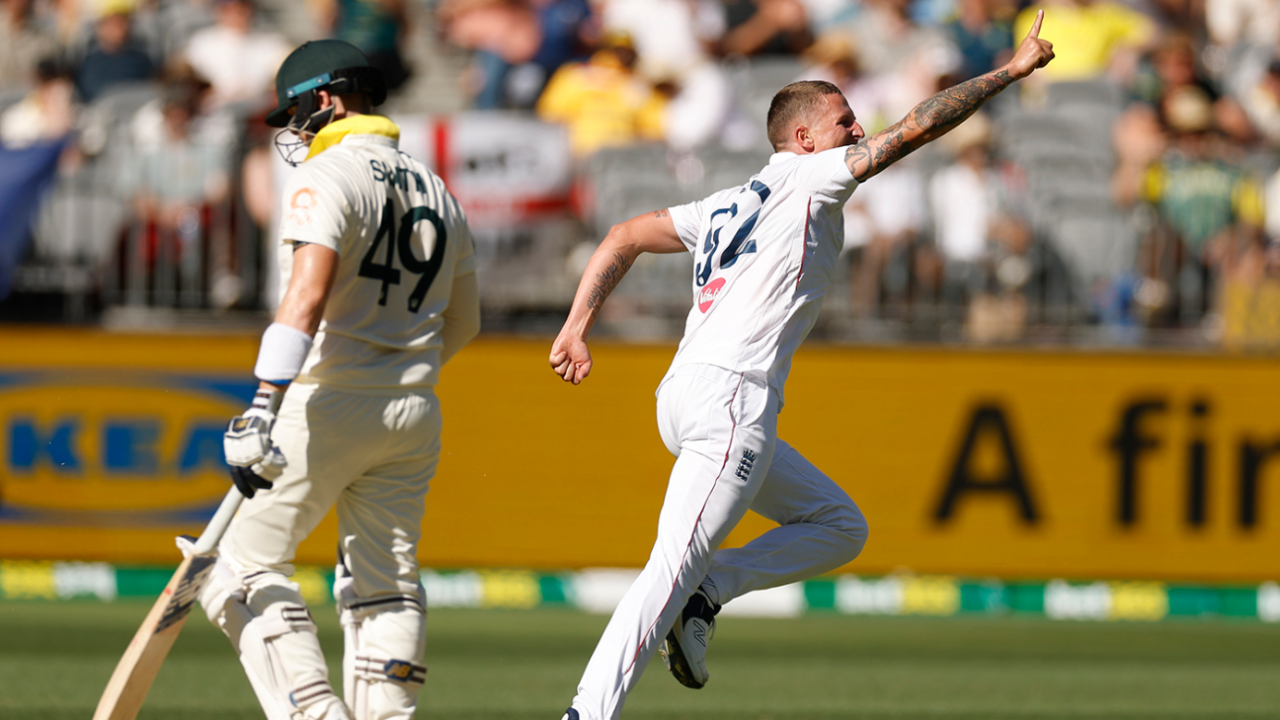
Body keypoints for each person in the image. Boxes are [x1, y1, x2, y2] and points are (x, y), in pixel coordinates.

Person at [548, 11, 1055, 720]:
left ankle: (711, 590)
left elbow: (624, 234)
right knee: (666, 572)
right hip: (732, 400)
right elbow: (916, 128)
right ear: (804, 137)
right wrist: (1009, 71)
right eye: (844, 120)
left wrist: (577, 325)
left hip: (685, 394)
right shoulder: (815, 178)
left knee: (838, 525)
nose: (857, 131)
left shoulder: (726, 202)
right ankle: (588, 712)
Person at [203, 39, 480, 720]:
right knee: (384, 583)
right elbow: (466, 323)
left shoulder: (326, 176)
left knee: (236, 567)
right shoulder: (438, 187)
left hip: (328, 400)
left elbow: (305, 297)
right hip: (415, 408)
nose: (292, 133)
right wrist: (399, 372)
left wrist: (263, 407)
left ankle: (313, 713)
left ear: (325, 99)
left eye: (295, 114)